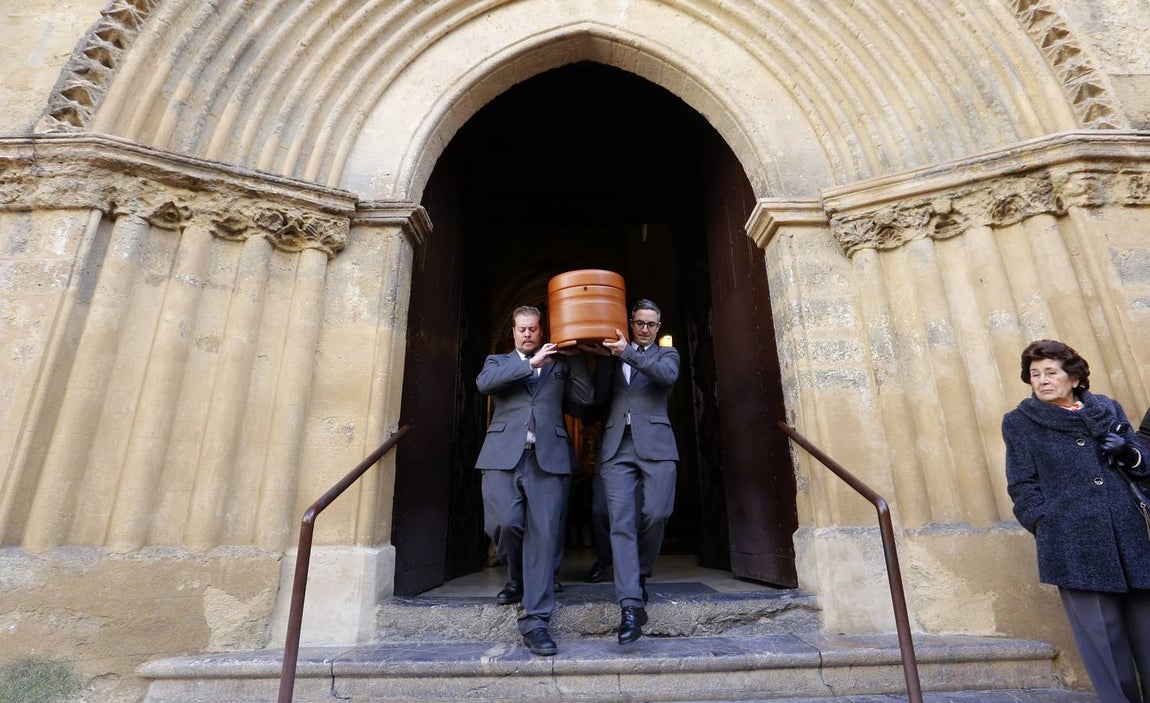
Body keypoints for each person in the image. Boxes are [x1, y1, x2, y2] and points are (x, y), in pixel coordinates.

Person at [1002, 339, 1150, 703]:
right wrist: (1045, 522)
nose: (1042, 380)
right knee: (1104, 642)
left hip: (1130, 535)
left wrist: (1129, 453)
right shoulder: (1020, 422)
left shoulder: (1107, 408)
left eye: (1051, 372)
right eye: (1035, 374)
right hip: (1073, 542)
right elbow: (1022, 484)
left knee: (1148, 634)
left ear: (1074, 376)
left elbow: (1143, 467)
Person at [475, 305, 593, 656]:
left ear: (543, 330)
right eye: (521, 329)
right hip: (502, 457)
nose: (527, 334)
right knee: (505, 524)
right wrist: (530, 363)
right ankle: (518, 579)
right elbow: (485, 385)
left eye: (533, 329)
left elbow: (584, 404)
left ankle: (535, 621)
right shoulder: (497, 362)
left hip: (549, 459)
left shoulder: (562, 364)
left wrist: (580, 357)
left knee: (542, 536)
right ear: (513, 332)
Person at [582, 298, 679, 644]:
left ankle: (639, 574)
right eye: (639, 322)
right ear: (630, 321)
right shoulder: (613, 355)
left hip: (656, 445)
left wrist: (627, 352)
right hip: (616, 445)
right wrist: (583, 357)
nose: (644, 329)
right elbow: (596, 399)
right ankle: (629, 605)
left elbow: (666, 377)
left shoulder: (667, 355)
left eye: (651, 324)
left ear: (658, 327)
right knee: (620, 522)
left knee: (656, 513)